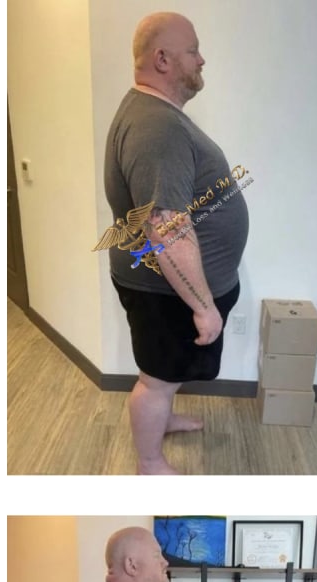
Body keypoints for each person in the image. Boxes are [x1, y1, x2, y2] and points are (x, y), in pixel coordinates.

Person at [102, 12, 248, 475]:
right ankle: (149, 462)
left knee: (168, 373)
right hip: (166, 293)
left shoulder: (153, 114)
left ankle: (162, 421)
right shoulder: (157, 127)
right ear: (162, 59)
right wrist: (205, 306)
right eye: (192, 50)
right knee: (156, 380)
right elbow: (165, 227)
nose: (201, 59)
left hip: (168, 288)